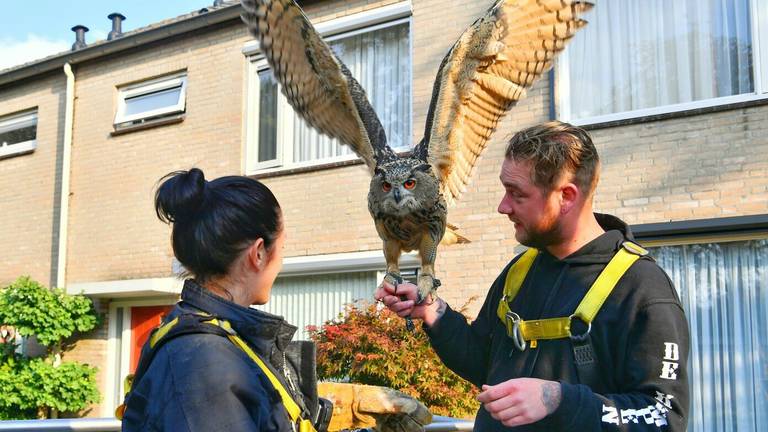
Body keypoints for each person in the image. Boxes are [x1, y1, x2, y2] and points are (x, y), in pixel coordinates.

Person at [376, 121, 690, 431]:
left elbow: (663, 417)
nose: (503, 207)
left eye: (517, 194)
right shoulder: (520, 271)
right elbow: (485, 363)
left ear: (566, 196)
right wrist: (433, 312)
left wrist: (559, 400)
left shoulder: (641, 288)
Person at [120, 168, 431, 431]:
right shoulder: (204, 366)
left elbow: (262, 405)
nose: (281, 261)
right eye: (281, 247)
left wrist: (341, 409)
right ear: (258, 253)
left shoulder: (221, 340)